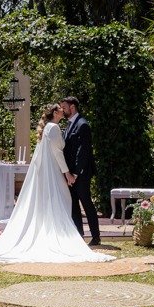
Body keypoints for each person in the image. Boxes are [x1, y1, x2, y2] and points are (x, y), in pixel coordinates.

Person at [0, 103, 112, 264]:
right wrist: (67, 173)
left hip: (53, 170)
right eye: (60, 108)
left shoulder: (51, 127)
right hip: (55, 171)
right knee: (61, 200)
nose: (63, 110)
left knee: (62, 200)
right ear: (55, 112)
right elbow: (58, 152)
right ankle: (62, 234)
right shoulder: (53, 128)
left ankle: (72, 234)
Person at [60, 96, 100, 246]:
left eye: (64, 108)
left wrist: (76, 173)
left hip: (81, 174)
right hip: (70, 174)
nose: (62, 110)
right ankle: (79, 235)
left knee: (86, 203)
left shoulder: (83, 125)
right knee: (74, 204)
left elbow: (83, 152)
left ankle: (96, 236)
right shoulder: (69, 124)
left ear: (72, 108)